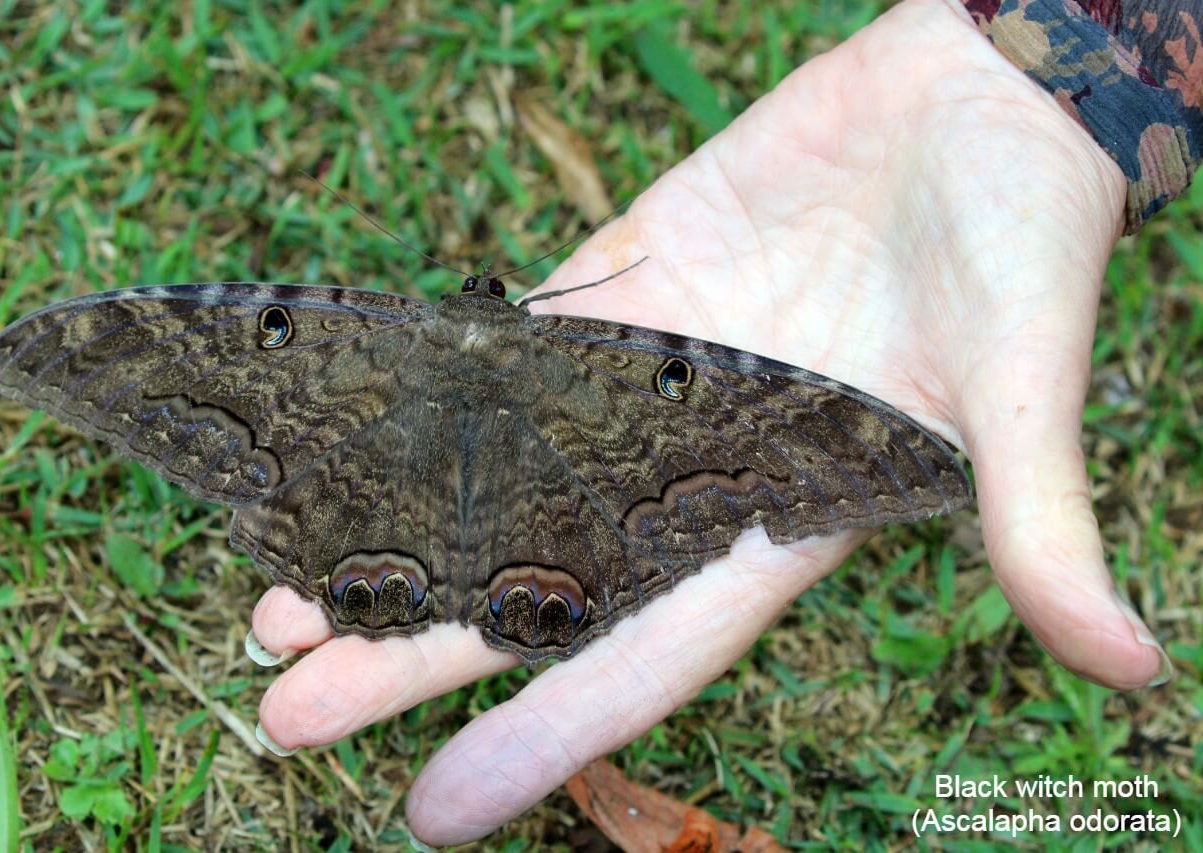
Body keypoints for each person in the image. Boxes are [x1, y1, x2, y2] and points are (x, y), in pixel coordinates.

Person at [245, 0, 1197, 844]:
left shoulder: (351, 338)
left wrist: (1032, 73)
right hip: (560, 535)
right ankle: (466, 580)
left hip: (425, 502)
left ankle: (380, 570)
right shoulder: (604, 363)